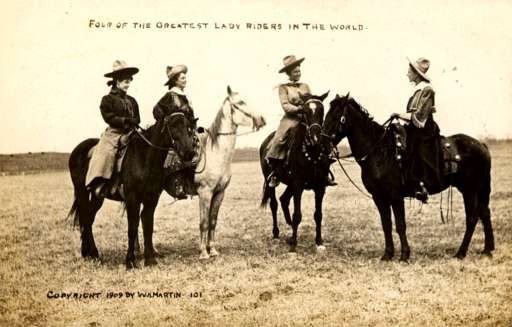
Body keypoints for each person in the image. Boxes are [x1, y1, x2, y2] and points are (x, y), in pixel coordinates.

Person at [266, 55, 335, 188]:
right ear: (289, 73)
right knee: (279, 139)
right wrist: (299, 109)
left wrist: (311, 106)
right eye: (295, 72)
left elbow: (310, 100)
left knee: (321, 135)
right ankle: (275, 172)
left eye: (299, 71)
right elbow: (285, 105)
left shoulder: (305, 86)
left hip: (307, 117)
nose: (298, 74)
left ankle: (325, 170)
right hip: (290, 119)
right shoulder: (283, 88)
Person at [85, 60, 140, 198]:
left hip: (131, 132)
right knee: (107, 152)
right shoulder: (107, 99)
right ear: (117, 82)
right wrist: (124, 121)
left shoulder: (132, 100)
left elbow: (138, 118)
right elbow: (108, 117)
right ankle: (100, 183)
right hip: (114, 133)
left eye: (129, 81)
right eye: (126, 82)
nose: (128, 84)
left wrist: (133, 122)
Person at [392, 57, 442, 203]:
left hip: (424, 131)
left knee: (416, 150)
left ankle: (422, 185)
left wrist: (399, 114)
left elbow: (420, 116)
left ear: (416, 74)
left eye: (409, 71)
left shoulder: (427, 90)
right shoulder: (417, 90)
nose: (407, 74)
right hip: (414, 128)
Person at [153, 65, 197, 199]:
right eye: (182, 78)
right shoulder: (170, 95)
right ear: (175, 80)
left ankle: (193, 182)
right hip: (175, 134)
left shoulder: (186, 96)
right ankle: (176, 184)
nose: (185, 80)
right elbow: (156, 111)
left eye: (185, 77)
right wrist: (169, 120)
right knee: (178, 152)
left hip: (187, 131)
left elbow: (191, 116)